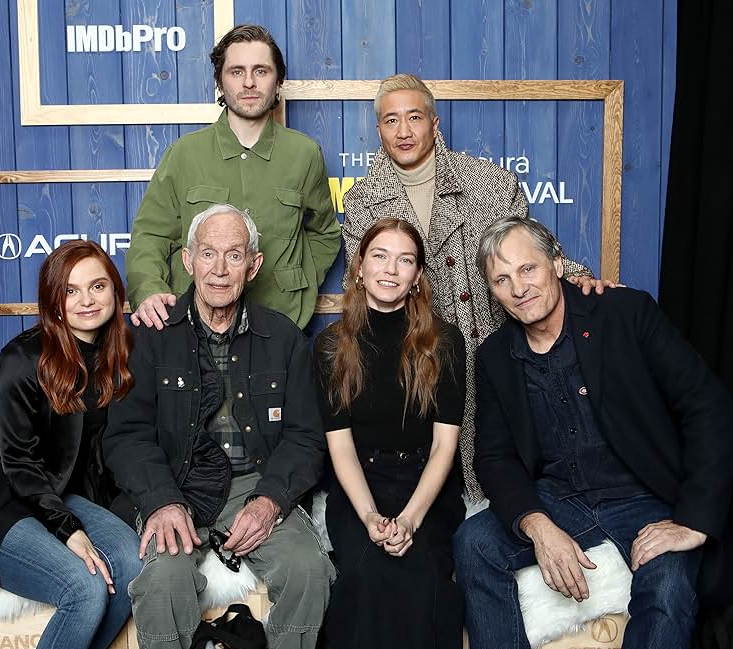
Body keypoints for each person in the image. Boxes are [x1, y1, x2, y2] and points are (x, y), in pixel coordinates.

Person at [453, 216, 733, 649]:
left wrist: (694, 521)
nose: (519, 288)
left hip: (645, 497)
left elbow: (706, 405)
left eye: (528, 269)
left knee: (667, 587)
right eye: (502, 279)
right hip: (561, 500)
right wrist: (538, 524)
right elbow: (493, 456)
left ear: (557, 264)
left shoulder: (626, 313)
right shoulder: (495, 356)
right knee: (474, 543)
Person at [342, 73, 610, 500]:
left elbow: (532, 250)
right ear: (378, 130)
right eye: (391, 121)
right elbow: (361, 285)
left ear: (435, 122)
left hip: (491, 343)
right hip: (414, 360)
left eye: (415, 117)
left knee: (503, 471)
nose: (404, 131)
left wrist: (578, 277)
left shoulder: (489, 182)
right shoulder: (361, 200)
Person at [104, 204, 335, 649]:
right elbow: (127, 436)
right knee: (163, 582)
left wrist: (270, 501)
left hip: (257, 484)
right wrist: (161, 501)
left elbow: (306, 437)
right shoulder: (153, 336)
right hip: (178, 484)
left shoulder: (284, 338)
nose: (220, 270)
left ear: (254, 264)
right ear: (188, 261)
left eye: (234, 255)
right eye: (208, 254)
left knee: (307, 570)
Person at [0, 241, 141, 649]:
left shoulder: (120, 354)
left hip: (59, 488)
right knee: (84, 588)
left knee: (131, 563)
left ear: (115, 292)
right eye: (70, 290)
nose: (86, 300)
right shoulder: (21, 359)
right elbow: (17, 461)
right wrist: (69, 530)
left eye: (97, 286)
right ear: (53, 300)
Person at [126, 24, 341, 331]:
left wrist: (297, 282)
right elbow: (151, 235)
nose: (250, 82)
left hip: (279, 324)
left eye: (261, 71)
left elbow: (325, 233)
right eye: (237, 71)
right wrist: (148, 288)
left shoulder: (304, 154)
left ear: (278, 81)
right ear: (220, 81)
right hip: (193, 329)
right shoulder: (185, 153)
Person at [314, 218, 466, 649]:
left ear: (418, 276)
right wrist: (369, 517)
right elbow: (340, 447)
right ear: (360, 266)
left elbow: (444, 447)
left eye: (405, 261)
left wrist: (410, 520)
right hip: (360, 485)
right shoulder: (330, 347)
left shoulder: (445, 342)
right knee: (365, 575)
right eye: (379, 256)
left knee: (421, 578)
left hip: (427, 488)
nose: (390, 269)